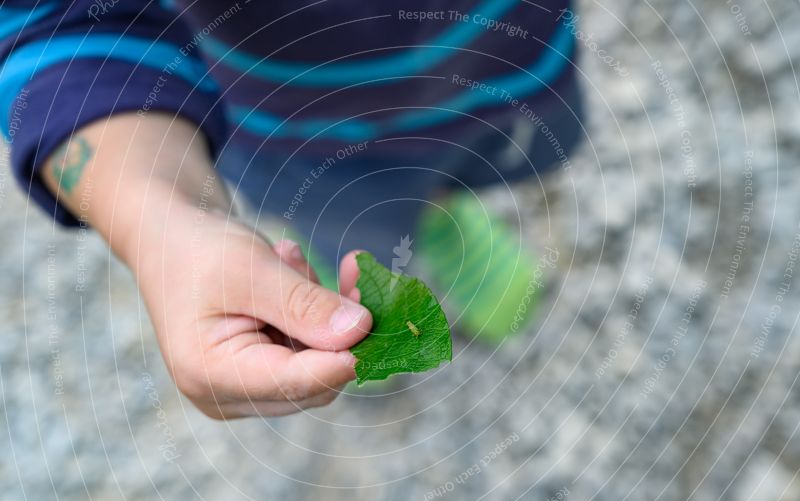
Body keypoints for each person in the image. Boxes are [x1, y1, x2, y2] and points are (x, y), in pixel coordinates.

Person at [0, 0, 582, 418]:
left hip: (503, 77)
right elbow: (57, 24)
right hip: (294, 140)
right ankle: (353, 285)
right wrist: (161, 221)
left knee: (459, 177)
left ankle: (442, 224)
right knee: (348, 230)